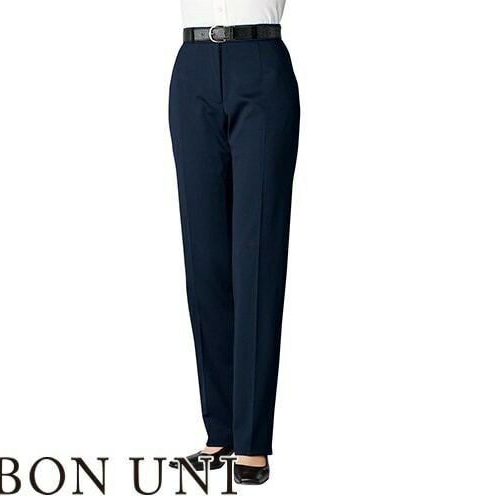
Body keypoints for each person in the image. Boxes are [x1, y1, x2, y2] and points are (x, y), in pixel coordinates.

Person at [168, 0, 300, 485]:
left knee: (257, 256)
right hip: (193, 67)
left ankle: (252, 440)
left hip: (259, 62)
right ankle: (221, 429)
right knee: (203, 258)